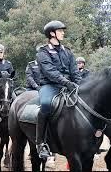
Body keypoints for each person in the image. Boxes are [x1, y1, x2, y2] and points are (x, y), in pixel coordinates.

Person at [36, 20, 82, 158]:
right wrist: (67, 83)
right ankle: (41, 143)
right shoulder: (43, 52)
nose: (63, 32)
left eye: (63, 30)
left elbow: (75, 72)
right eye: (60, 30)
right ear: (52, 33)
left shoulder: (67, 51)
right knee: (45, 105)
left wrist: (80, 85)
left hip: (68, 86)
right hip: (49, 86)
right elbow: (50, 72)